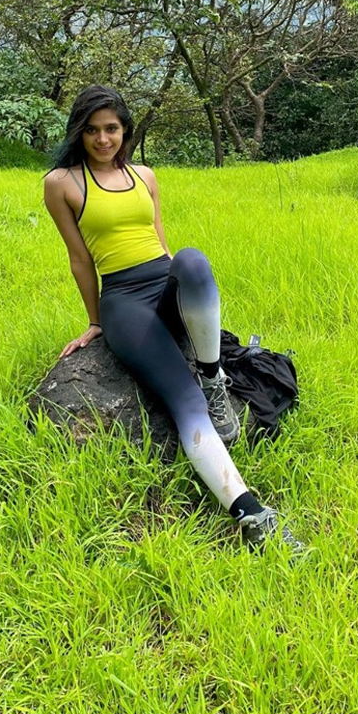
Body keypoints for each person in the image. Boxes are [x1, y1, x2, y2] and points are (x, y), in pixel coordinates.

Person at [43, 85, 303, 552]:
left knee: (192, 258)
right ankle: (251, 514)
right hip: (124, 301)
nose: (103, 139)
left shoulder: (145, 175)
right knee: (186, 405)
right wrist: (96, 320)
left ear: (125, 130)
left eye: (112, 129)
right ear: (80, 132)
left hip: (164, 284)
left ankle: (212, 375)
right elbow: (80, 259)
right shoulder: (62, 182)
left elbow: (160, 240)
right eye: (93, 130)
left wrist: (184, 304)